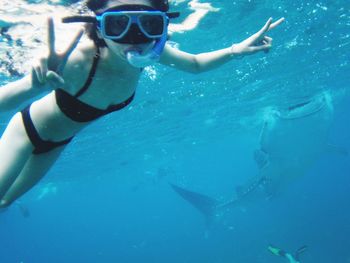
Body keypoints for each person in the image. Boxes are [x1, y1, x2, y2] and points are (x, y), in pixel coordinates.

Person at [0, 0, 284, 208]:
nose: (133, 39)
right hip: (25, 133)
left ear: (160, 29)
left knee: (5, 204)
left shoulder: (153, 55)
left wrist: (235, 51)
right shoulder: (78, 61)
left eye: (148, 25)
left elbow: (196, 64)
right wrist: (30, 87)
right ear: (99, 27)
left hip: (59, 143)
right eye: (118, 25)